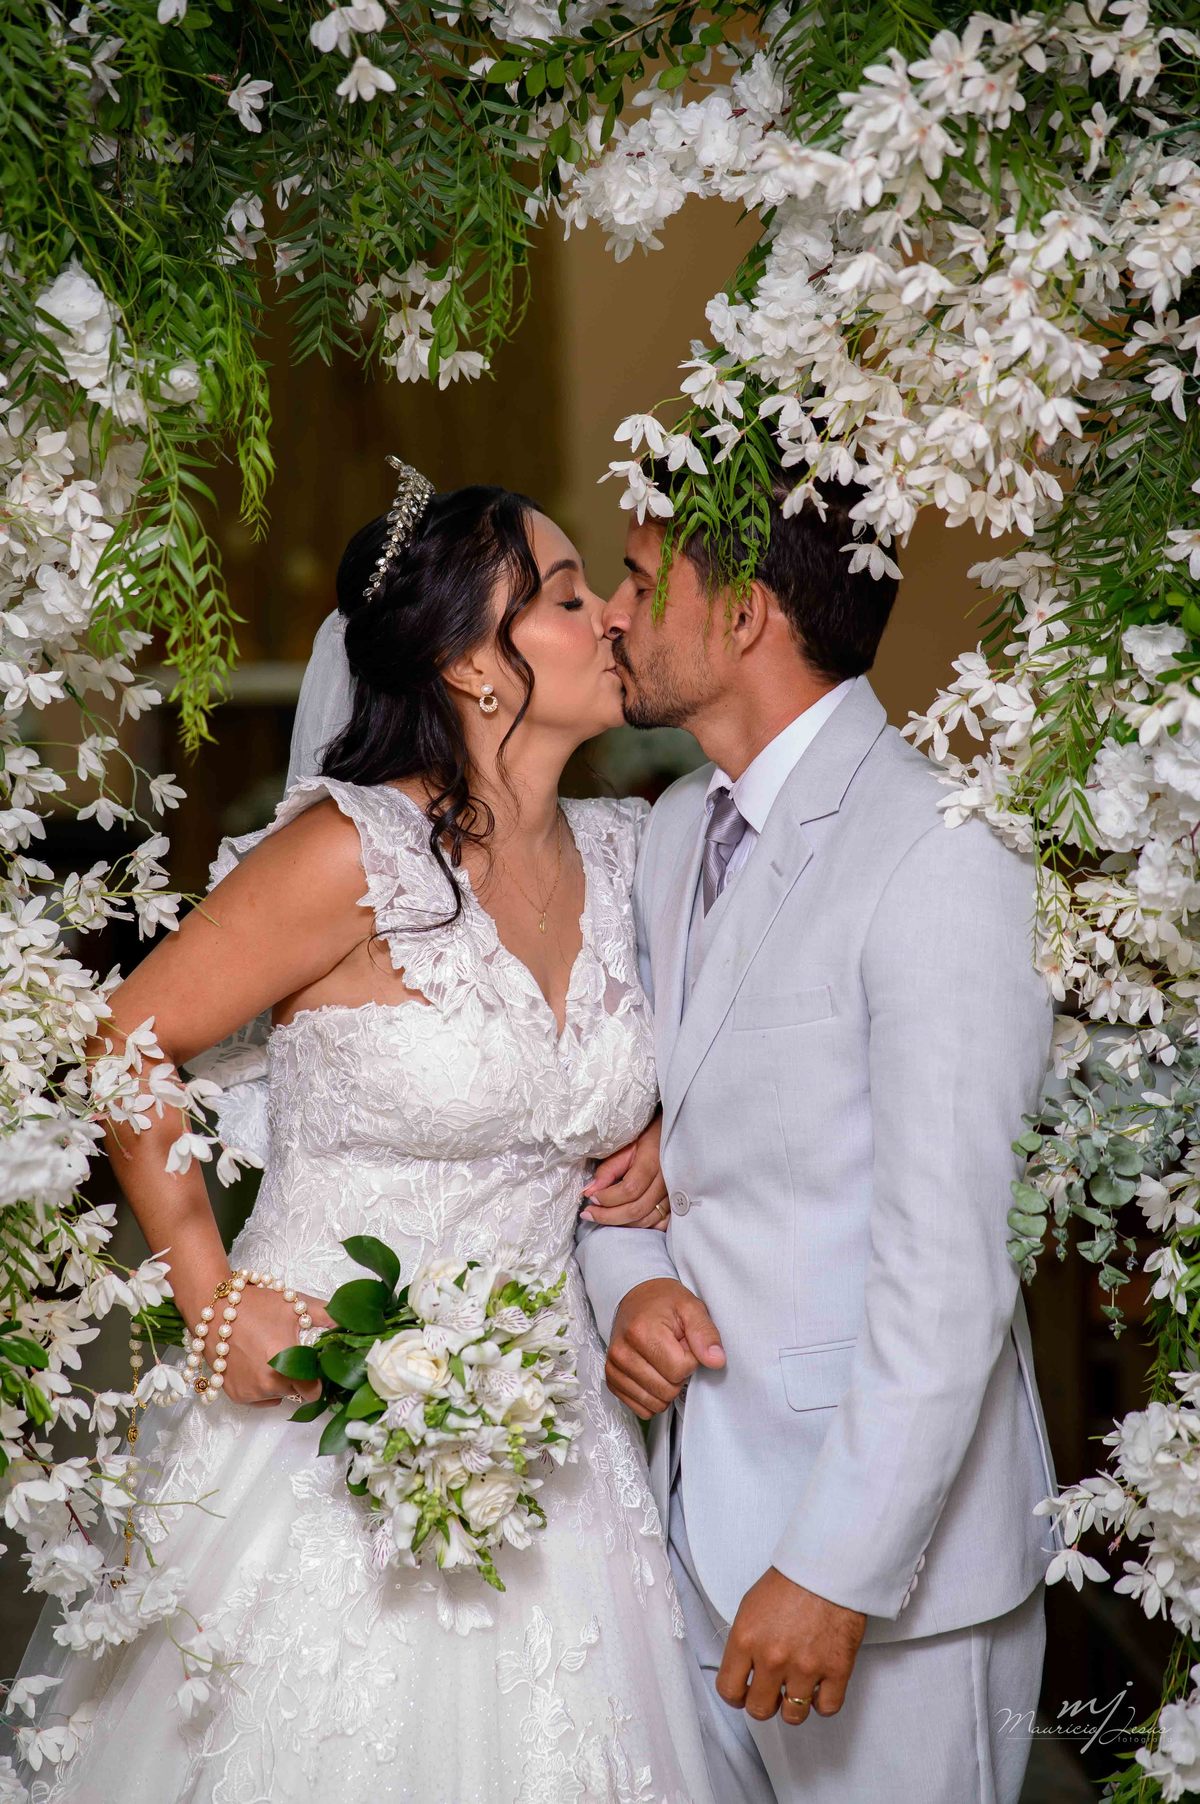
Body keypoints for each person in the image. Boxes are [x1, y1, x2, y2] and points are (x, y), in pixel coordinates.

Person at [10, 466, 715, 1804]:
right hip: (317, 1419)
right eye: (570, 598)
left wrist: (673, 1128)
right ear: (474, 665)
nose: (614, 618)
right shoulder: (353, 854)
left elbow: (716, 1049)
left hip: (558, 1440)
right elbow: (125, 1043)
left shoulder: (636, 855)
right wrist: (210, 1299)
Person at [575, 468, 1064, 1804]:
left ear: (743, 614)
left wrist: (836, 1568)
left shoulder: (943, 852)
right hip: (686, 1530)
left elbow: (951, 1268)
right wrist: (631, 1283)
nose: (610, 611)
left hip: (885, 1591)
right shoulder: (674, 834)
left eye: (638, 580)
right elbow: (632, 1145)